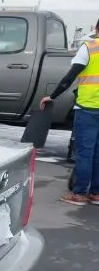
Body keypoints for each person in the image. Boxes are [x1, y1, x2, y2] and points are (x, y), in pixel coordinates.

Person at [39, 17, 99, 206]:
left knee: (84, 153)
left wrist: (53, 96)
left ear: (97, 28)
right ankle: (96, 194)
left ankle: (79, 193)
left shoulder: (89, 48)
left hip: (88, 108)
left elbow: (70, 76)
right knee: (98, 153)